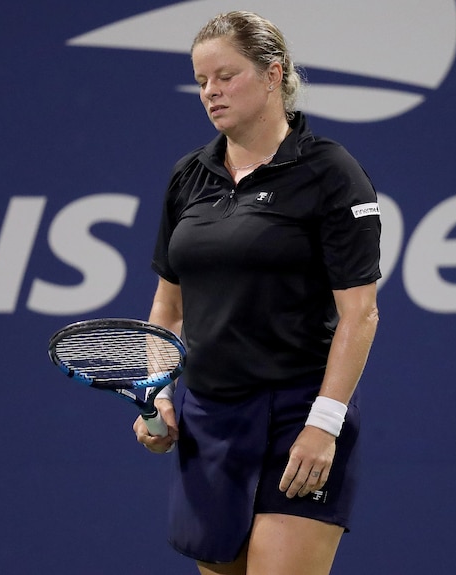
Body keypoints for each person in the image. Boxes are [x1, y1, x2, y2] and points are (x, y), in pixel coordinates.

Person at [132, 11, 381, 575]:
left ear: (274, 75)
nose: (210, 93)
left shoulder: (331, 173)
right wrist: (162, 393)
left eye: (226, 76)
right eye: (200, 82)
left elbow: (360, 315)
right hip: (209, 419)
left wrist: (325, 422)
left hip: (299, 414)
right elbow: (167, 311)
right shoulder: (187, 177)